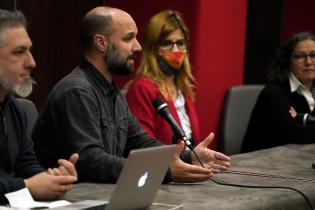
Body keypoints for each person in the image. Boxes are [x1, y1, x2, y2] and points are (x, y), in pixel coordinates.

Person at [31, 6, 230, 184]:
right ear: (101, 43)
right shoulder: (77, 91)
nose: (138, 47)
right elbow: (90, 160)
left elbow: (139, 141)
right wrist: (163, 171)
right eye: (128, 38)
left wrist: (188, 156)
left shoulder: (111, 89)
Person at [0, 9, 79, 203]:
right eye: (19, 52)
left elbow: (27, 166)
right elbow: (28, 182)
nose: (32, 62)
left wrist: (53, 178)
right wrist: (28, 186)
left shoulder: (15, 109)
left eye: (29, 50)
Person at [125, 10, 200, 147]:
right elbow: (146, 150)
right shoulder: (142, 88)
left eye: (180, 43)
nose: (175, 50)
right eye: (166, 44)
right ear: (152, 48)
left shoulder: (182, 88)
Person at [242, 31, 315, 152]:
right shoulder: (275, 92)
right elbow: (294, 134)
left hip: (298, 157)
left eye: (313, 55)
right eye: (300, 56)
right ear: (287, 60)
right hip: (261, 162)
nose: (308, 62)